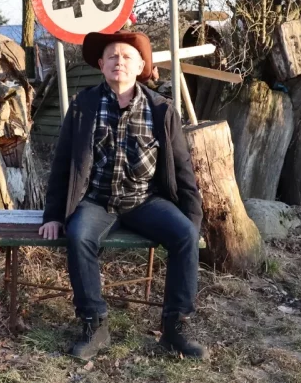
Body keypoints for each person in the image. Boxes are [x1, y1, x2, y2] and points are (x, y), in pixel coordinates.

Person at [39, 30, 208, 361]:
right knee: (79, 236)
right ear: (101, 65)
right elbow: (63, 164)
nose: (120, 62)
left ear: (141, 65)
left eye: (127, 57)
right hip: (96, 201)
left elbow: (184, 169)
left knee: (186, 235)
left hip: (145, 201)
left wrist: (193, 218)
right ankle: (94, 323)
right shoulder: (83, 106)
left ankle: (175, 328)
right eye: (113, 57)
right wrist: (53, 216)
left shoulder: (161, 110)